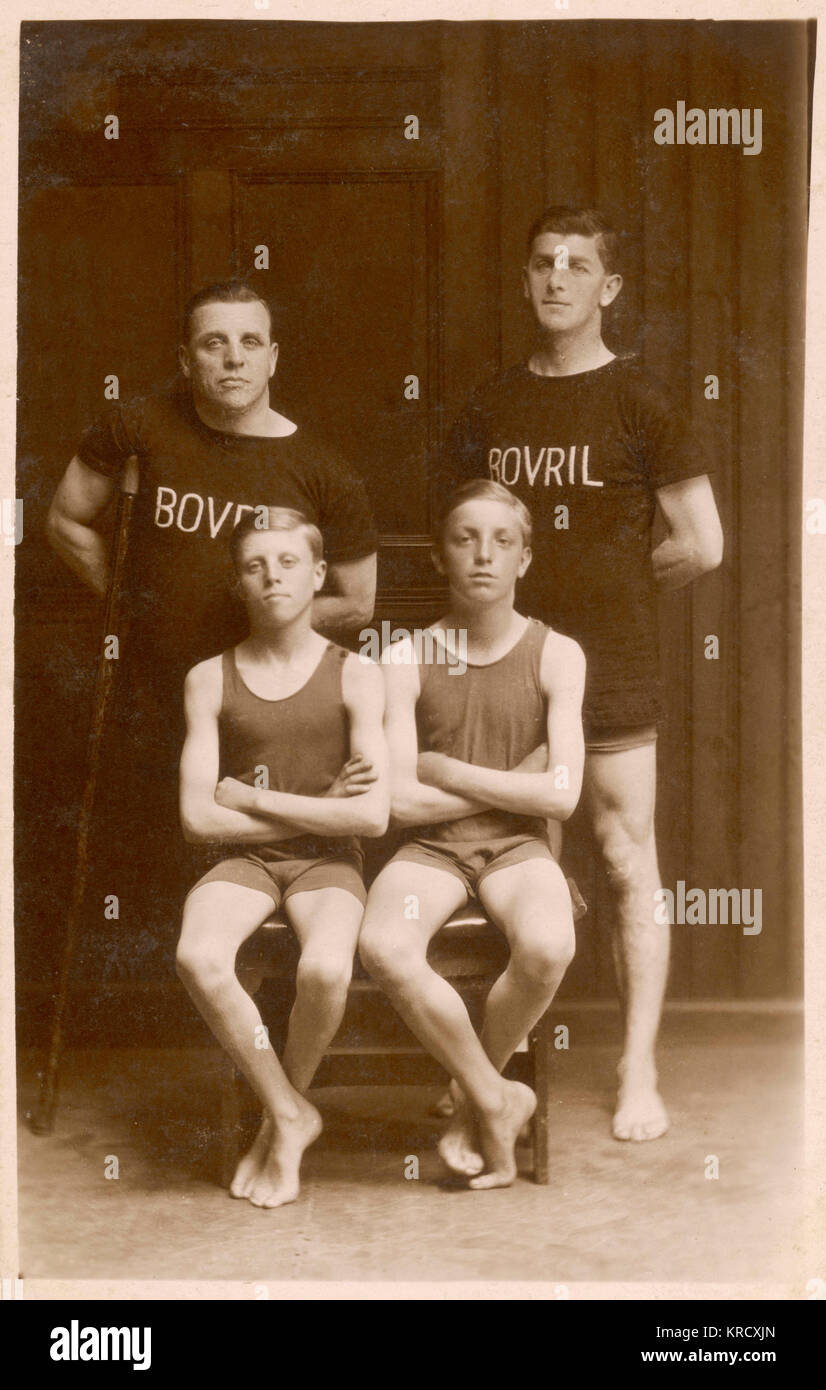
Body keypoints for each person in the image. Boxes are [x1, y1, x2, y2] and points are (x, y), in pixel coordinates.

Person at [437, 207, 724, 1141]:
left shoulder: (641, 403)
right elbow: (467, 533)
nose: (557, 278)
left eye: (578, 265)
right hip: (506, 664)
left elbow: (702, 543)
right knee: (521, 861)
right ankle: (501, 1069)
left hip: (614, 668)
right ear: (527, 283)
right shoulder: (490, 404)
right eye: (543, 264)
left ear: (609, 288)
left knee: (625, 857)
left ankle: (637, 1066)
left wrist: (614, 588)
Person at [44, 280, 378, 921]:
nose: (233, 357)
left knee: (265, 854)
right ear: (185, 359)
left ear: (273, 357)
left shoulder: (322, 469)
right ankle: (174, 1008)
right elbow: (65, 521)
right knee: (153, 859)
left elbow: (358, 604)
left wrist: (263, 627)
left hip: (267, 709)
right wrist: (135, 605)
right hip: (151, 689)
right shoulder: (138, 426)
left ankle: (267, 1013)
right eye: (214, 343)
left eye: (250, 342)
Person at [358, 480, 585, 1190]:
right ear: (438, 557)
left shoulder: (558, 654)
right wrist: (515, 780)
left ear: (525, 559)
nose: (483, 555)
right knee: (384, 945)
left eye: (503, 541)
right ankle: (496, 1095)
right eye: (465, 539)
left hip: (519, 848)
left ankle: (467, 1103)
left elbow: (565, 794)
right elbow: (396, 801)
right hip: (429, 851)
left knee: (549, 944)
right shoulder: (403, 656)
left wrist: (445, 767)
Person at [176, 506, 389, 1208]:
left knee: (326, 969)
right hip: (248, 862)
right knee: (198, 958)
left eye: (289, 562)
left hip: (329, 861)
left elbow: (370, 814)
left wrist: (253, 797)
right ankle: (292, 1111)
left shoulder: (356, 674)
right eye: (254, 565)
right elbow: (198, 818)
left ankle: (277, 1125)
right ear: (237, 582)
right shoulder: (209, 676)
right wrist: (314, 801)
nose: (273, 576)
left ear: (320, 573)